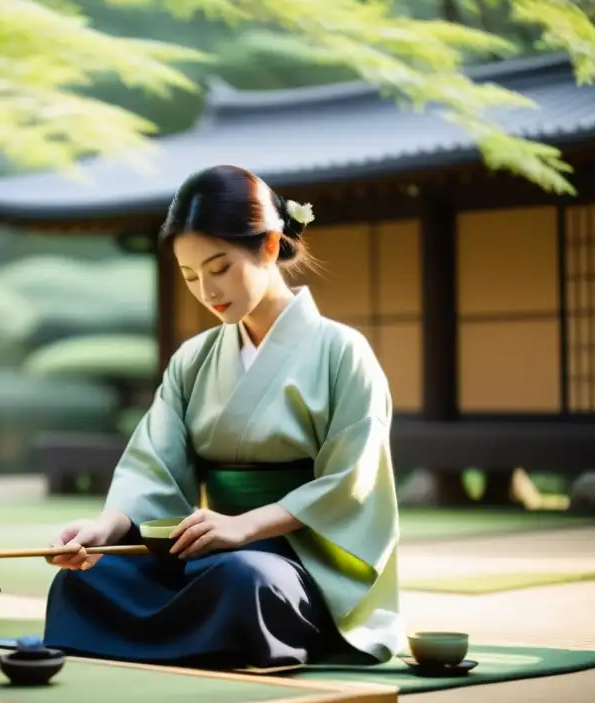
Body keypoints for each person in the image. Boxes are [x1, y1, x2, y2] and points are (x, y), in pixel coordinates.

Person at [41, 164, 404, 670]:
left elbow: (351, 481)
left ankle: (217, 630)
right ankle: (208, 637)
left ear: (271, 247)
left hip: (301, 562)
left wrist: (247, 526)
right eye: (190, 276)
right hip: (212, 551)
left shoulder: (343, 351)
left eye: (219, 267)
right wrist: (106, 526)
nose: (207, 291)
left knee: (244, 581)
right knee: (85, 579)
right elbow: (155, 465)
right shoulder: (193, 358)